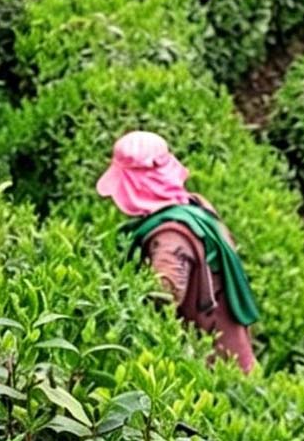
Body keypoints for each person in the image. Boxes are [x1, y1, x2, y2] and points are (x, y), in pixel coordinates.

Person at [96, 130, 259, 373]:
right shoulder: (196, 207)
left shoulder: (171, 237)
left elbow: (164, 297)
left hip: (212, 364)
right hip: (232, 346)